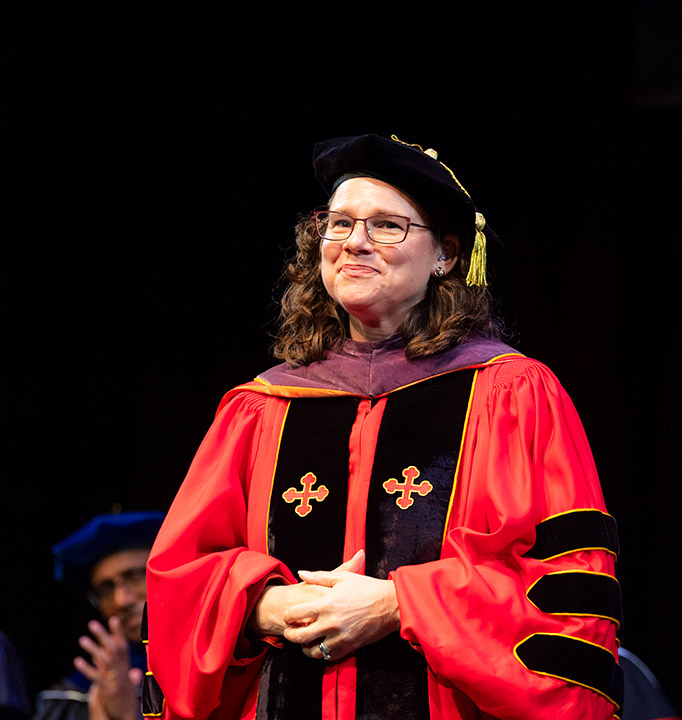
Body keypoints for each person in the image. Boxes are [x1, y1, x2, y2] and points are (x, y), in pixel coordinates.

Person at [144, 134, 623, 720]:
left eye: (387, 226)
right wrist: (265, 605)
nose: (355, 244)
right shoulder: (261, 407)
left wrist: (400, 604)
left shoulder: (512, 394)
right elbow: (180, 576)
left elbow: (565, 593)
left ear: (446, 255)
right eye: (339, 224)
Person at [33, 511, 164, 720]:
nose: (121, 600)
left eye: (137, 576)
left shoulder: (214, 666)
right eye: (106, 589)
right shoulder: (71, 697)